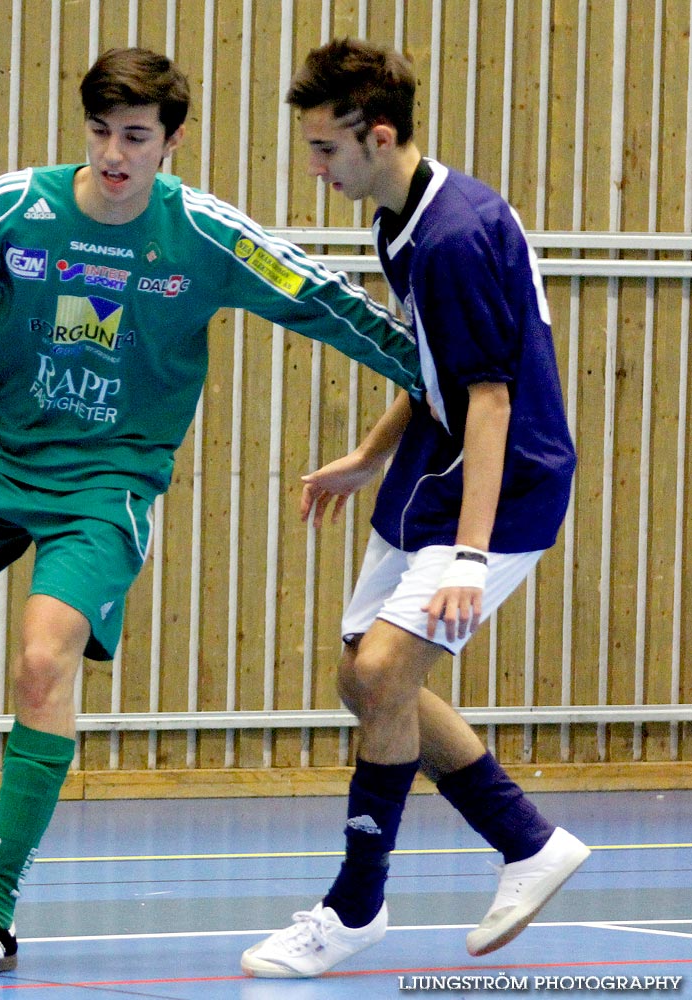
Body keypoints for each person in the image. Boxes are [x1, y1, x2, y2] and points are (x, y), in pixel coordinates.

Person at [0, 47, 422, 980]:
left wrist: (445, 373)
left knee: (39, 661)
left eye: (135, 137)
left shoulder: (208, 237)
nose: (113, 154)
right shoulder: (17, 207)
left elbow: (329, 304)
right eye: (101, 132)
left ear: (170, 143)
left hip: (104, 485)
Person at [240, 38, 590, 979]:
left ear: (377, 133)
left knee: (389, 669)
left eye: (324, 148)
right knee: (361, 676)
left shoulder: (453, 237)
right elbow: (434, 366)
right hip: (434, 464)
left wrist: (472, 558)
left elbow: (492, 398)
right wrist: (367, 455)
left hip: (503, 481)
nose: (314, 168)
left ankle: (354, 908)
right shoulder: (401, 222)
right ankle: (527, 840)